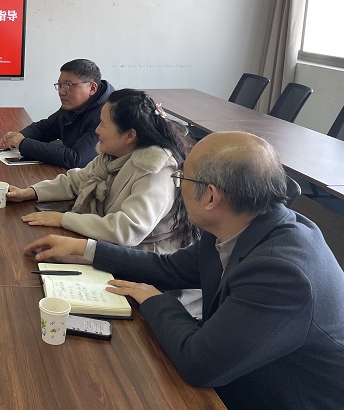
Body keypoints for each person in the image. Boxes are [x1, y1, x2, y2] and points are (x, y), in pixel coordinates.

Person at [24, 131, 344, 410]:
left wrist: (154, 300)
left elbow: (199, 363)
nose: (177, 188)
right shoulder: (240, 223)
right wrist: (84, 249)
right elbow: (170, 268)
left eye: (181, 179)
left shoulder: (282, 273)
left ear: (211, 196)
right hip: (240, 372)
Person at [7, 88, 200, 314]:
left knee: (44, 269)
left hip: (147, 266)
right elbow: (77, 180)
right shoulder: (114, 155)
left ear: (129, 135)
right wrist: (30, 192)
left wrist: (63, 219)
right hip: (116, 249)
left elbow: (126, 230)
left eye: (103, 125)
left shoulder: (155, 168)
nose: (97, 130)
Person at [0, 59, 114, 168]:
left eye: (68, 86)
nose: (61, 92)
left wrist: (23, 144)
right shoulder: (74, 105)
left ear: (92, 88)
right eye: (59, 85)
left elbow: (76, 159)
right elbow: (46, 128)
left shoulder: (107, 114)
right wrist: (20, 136)